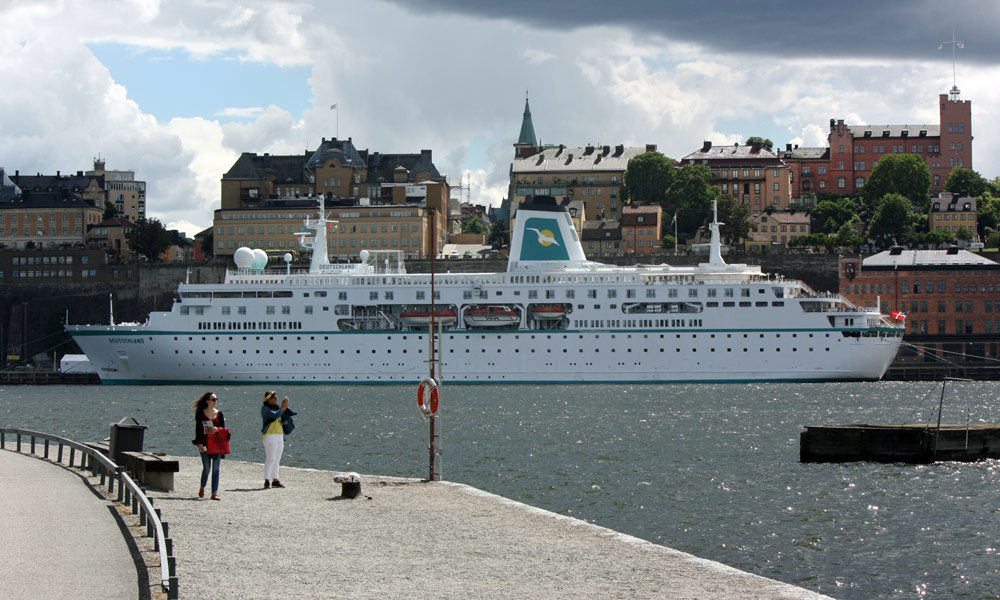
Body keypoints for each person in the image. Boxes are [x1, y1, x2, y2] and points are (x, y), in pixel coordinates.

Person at [192, 391, 225, 500]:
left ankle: (214, 492)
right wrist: (199, 443)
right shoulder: (201, 413)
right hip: (205, 444)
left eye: (216, 399)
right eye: (213, 399)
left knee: (216, 468)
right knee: (207, 468)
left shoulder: (219, 414)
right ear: (207, 401)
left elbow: (224, 430)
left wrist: (217, 429)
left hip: (216, 444)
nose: (215, 401)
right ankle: (202, 486)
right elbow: (198, 430)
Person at [260, 390, 292, 489]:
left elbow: (290, 413)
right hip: (270, 435)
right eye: (274, 398)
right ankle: (266, 480)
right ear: (268, 399)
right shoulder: (265, 409)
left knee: (277, 459)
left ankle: (275, 479)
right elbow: (275, 415)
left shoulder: (277, 407)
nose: (276, 399)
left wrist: (286, 406)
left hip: (279, 435)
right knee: (271, 458)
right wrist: (283, 407)